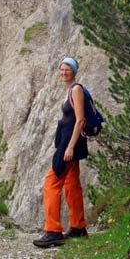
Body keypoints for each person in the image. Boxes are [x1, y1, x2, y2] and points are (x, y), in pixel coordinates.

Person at [32, 56, 89, 248]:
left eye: (67, 69)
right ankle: (78, 227)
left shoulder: (76, 89)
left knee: (51, 182)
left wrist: (70, 147)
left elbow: (80, 120)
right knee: (72, 184)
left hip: (69, 144)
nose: (64, 72)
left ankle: (53, 231)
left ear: (74, 71)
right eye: (61, 69)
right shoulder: (70, 91)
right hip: (69, 142)